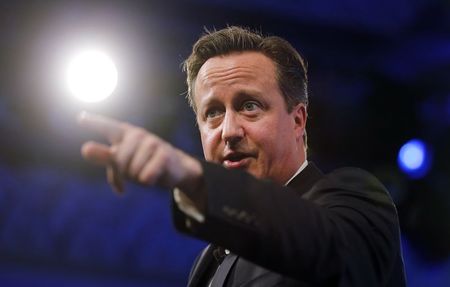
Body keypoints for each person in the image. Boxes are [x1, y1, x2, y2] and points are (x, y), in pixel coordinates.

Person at [78, 26, 406, 286]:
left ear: (298, 120)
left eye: (249, 106)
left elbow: (326, 251)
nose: (229, 131)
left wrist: (193, 178)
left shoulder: (355, 202)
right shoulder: (208, 262)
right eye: (213, 113)